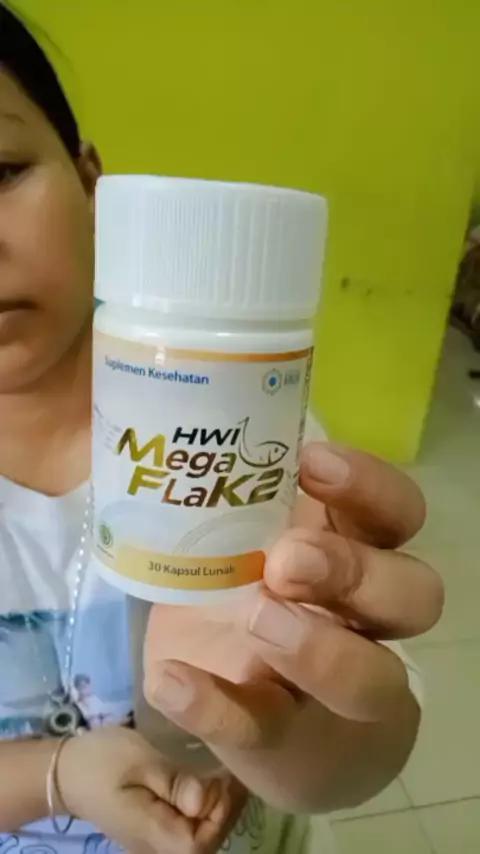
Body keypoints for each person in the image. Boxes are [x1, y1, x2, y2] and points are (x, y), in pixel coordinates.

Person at [0, 4, 443, 853]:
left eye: (0, 170)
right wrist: (57, 776)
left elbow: (351, 748)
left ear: (94, 186)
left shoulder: (241, 422)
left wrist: (306, 745)